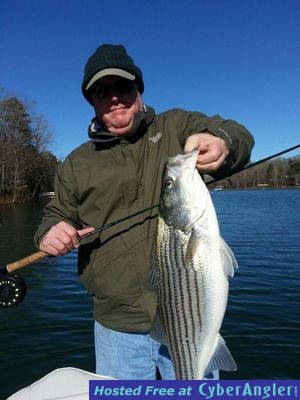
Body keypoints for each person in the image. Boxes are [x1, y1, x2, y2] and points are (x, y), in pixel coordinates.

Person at [34, 44, 254, 380]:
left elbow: (236, 135)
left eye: (123, 87)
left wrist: (223, 142)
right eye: (102, 91)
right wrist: (51, 230)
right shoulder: (76, 163)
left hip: (188, 319)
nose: (115, 97)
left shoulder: (176, 125)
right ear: (91, 100)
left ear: (139, 90)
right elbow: (56, 212)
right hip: (116, 326)